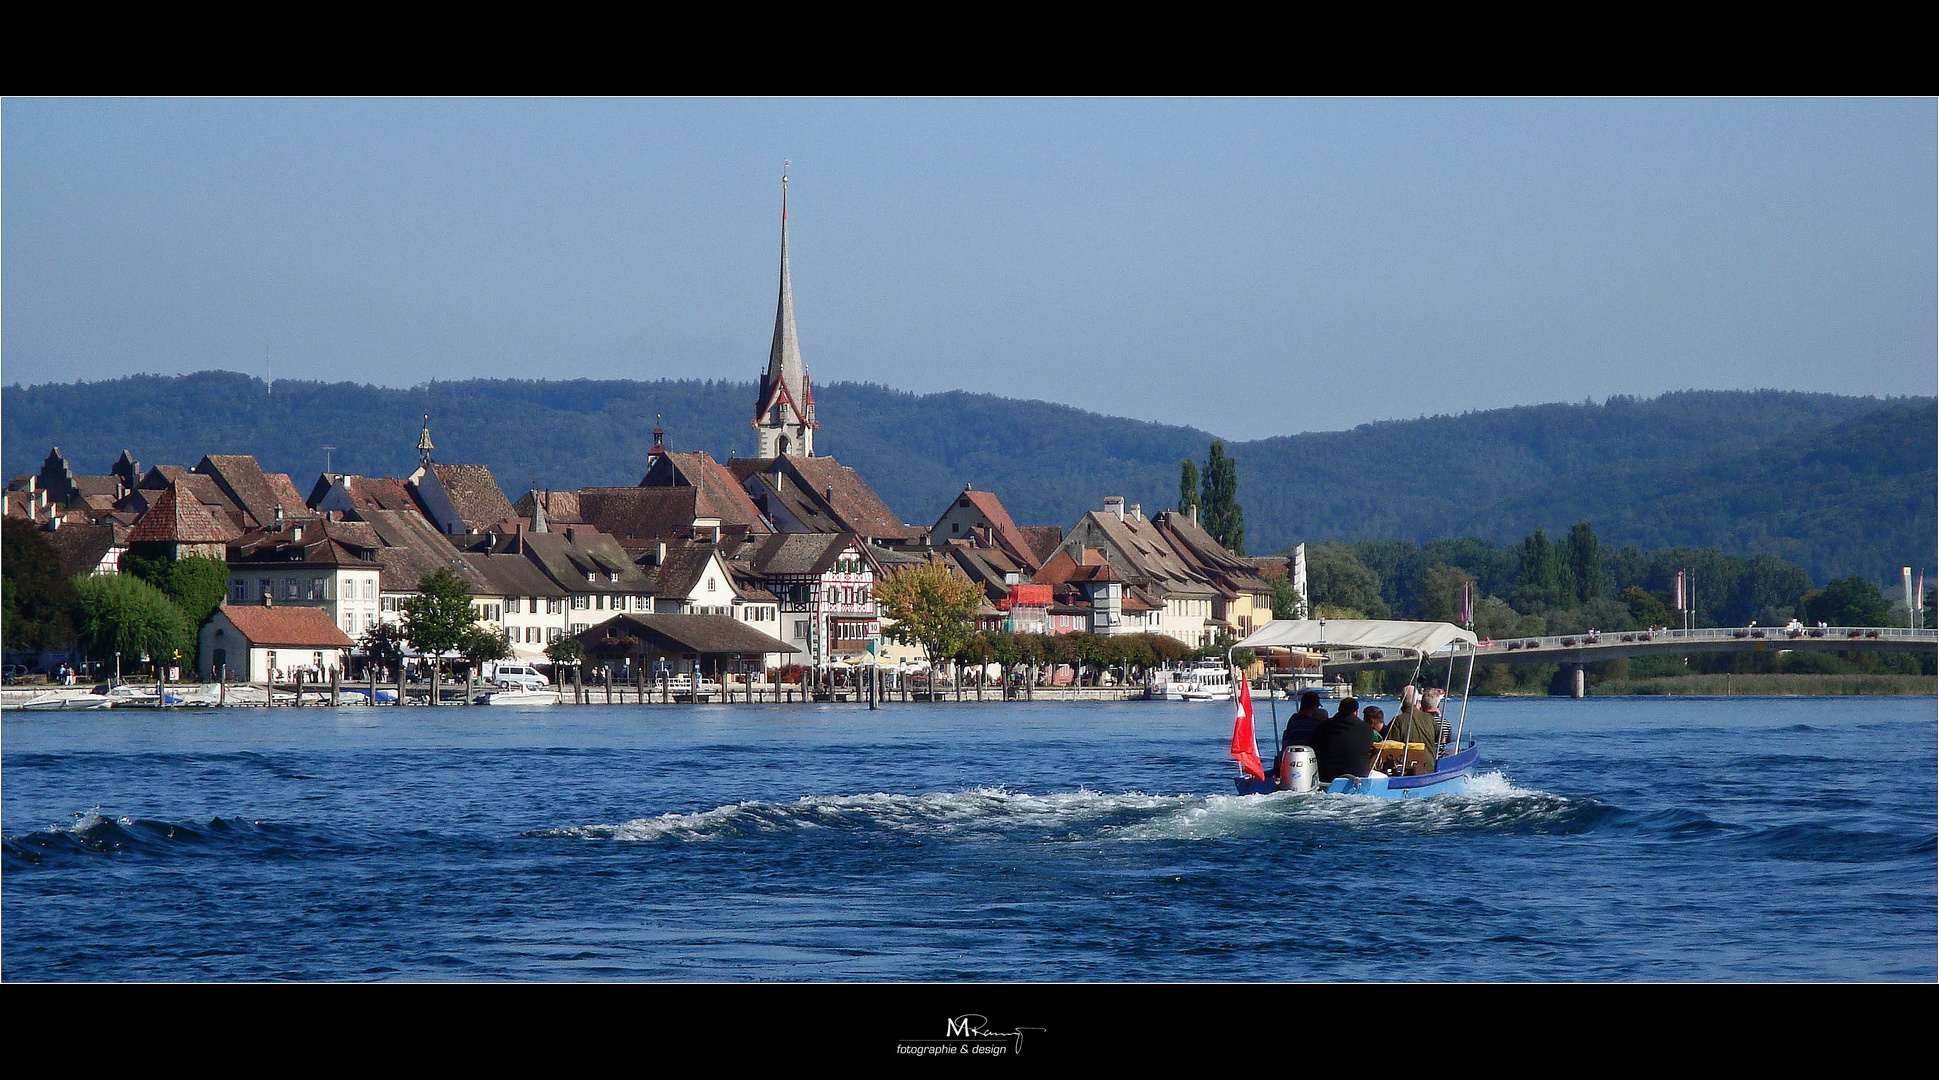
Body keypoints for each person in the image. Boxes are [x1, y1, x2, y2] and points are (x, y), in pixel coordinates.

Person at [1312, 697, 1379, 782]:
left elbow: (1312, 747)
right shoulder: (1366, 728)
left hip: (1328, 777)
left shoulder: (1324, 726)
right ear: (1356, 712)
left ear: (1339, 710)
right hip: (1359, 776)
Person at [1386, 695, 1440, 776]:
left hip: (1408, 770)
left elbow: (1392, 746)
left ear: (1401, 700)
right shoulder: (1429, 718)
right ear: (1417, 701)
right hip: (1429, 768)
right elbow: (1441, 739)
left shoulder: (1398, 721)